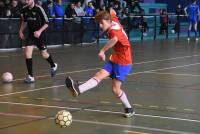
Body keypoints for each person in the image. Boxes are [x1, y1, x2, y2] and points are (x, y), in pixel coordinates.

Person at [65, 8, 135, 118]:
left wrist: (102, 51)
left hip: (123, 62)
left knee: (115, 89)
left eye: (102, 23)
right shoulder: (113, 19)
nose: (100, 26)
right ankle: (78, 90)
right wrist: (108, 10)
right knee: (99, 75)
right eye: (99, 24)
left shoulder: (113, 31)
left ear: (108, 21)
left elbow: (114, 40)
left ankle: (129, 108)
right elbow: (113, 11)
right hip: (115, 58)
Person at [19, 0, 57, 83]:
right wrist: (21, 31)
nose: (26, 1)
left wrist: (39, 31)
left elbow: (47, 22)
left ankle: (53, 65)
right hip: (31, 35)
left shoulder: (39, 9)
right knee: (27, 53)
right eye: (25, 0)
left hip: (40, 35)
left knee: (44, 54)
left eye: (28, 0)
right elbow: (24, 21)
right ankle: (31, 76)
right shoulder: (24, 10)